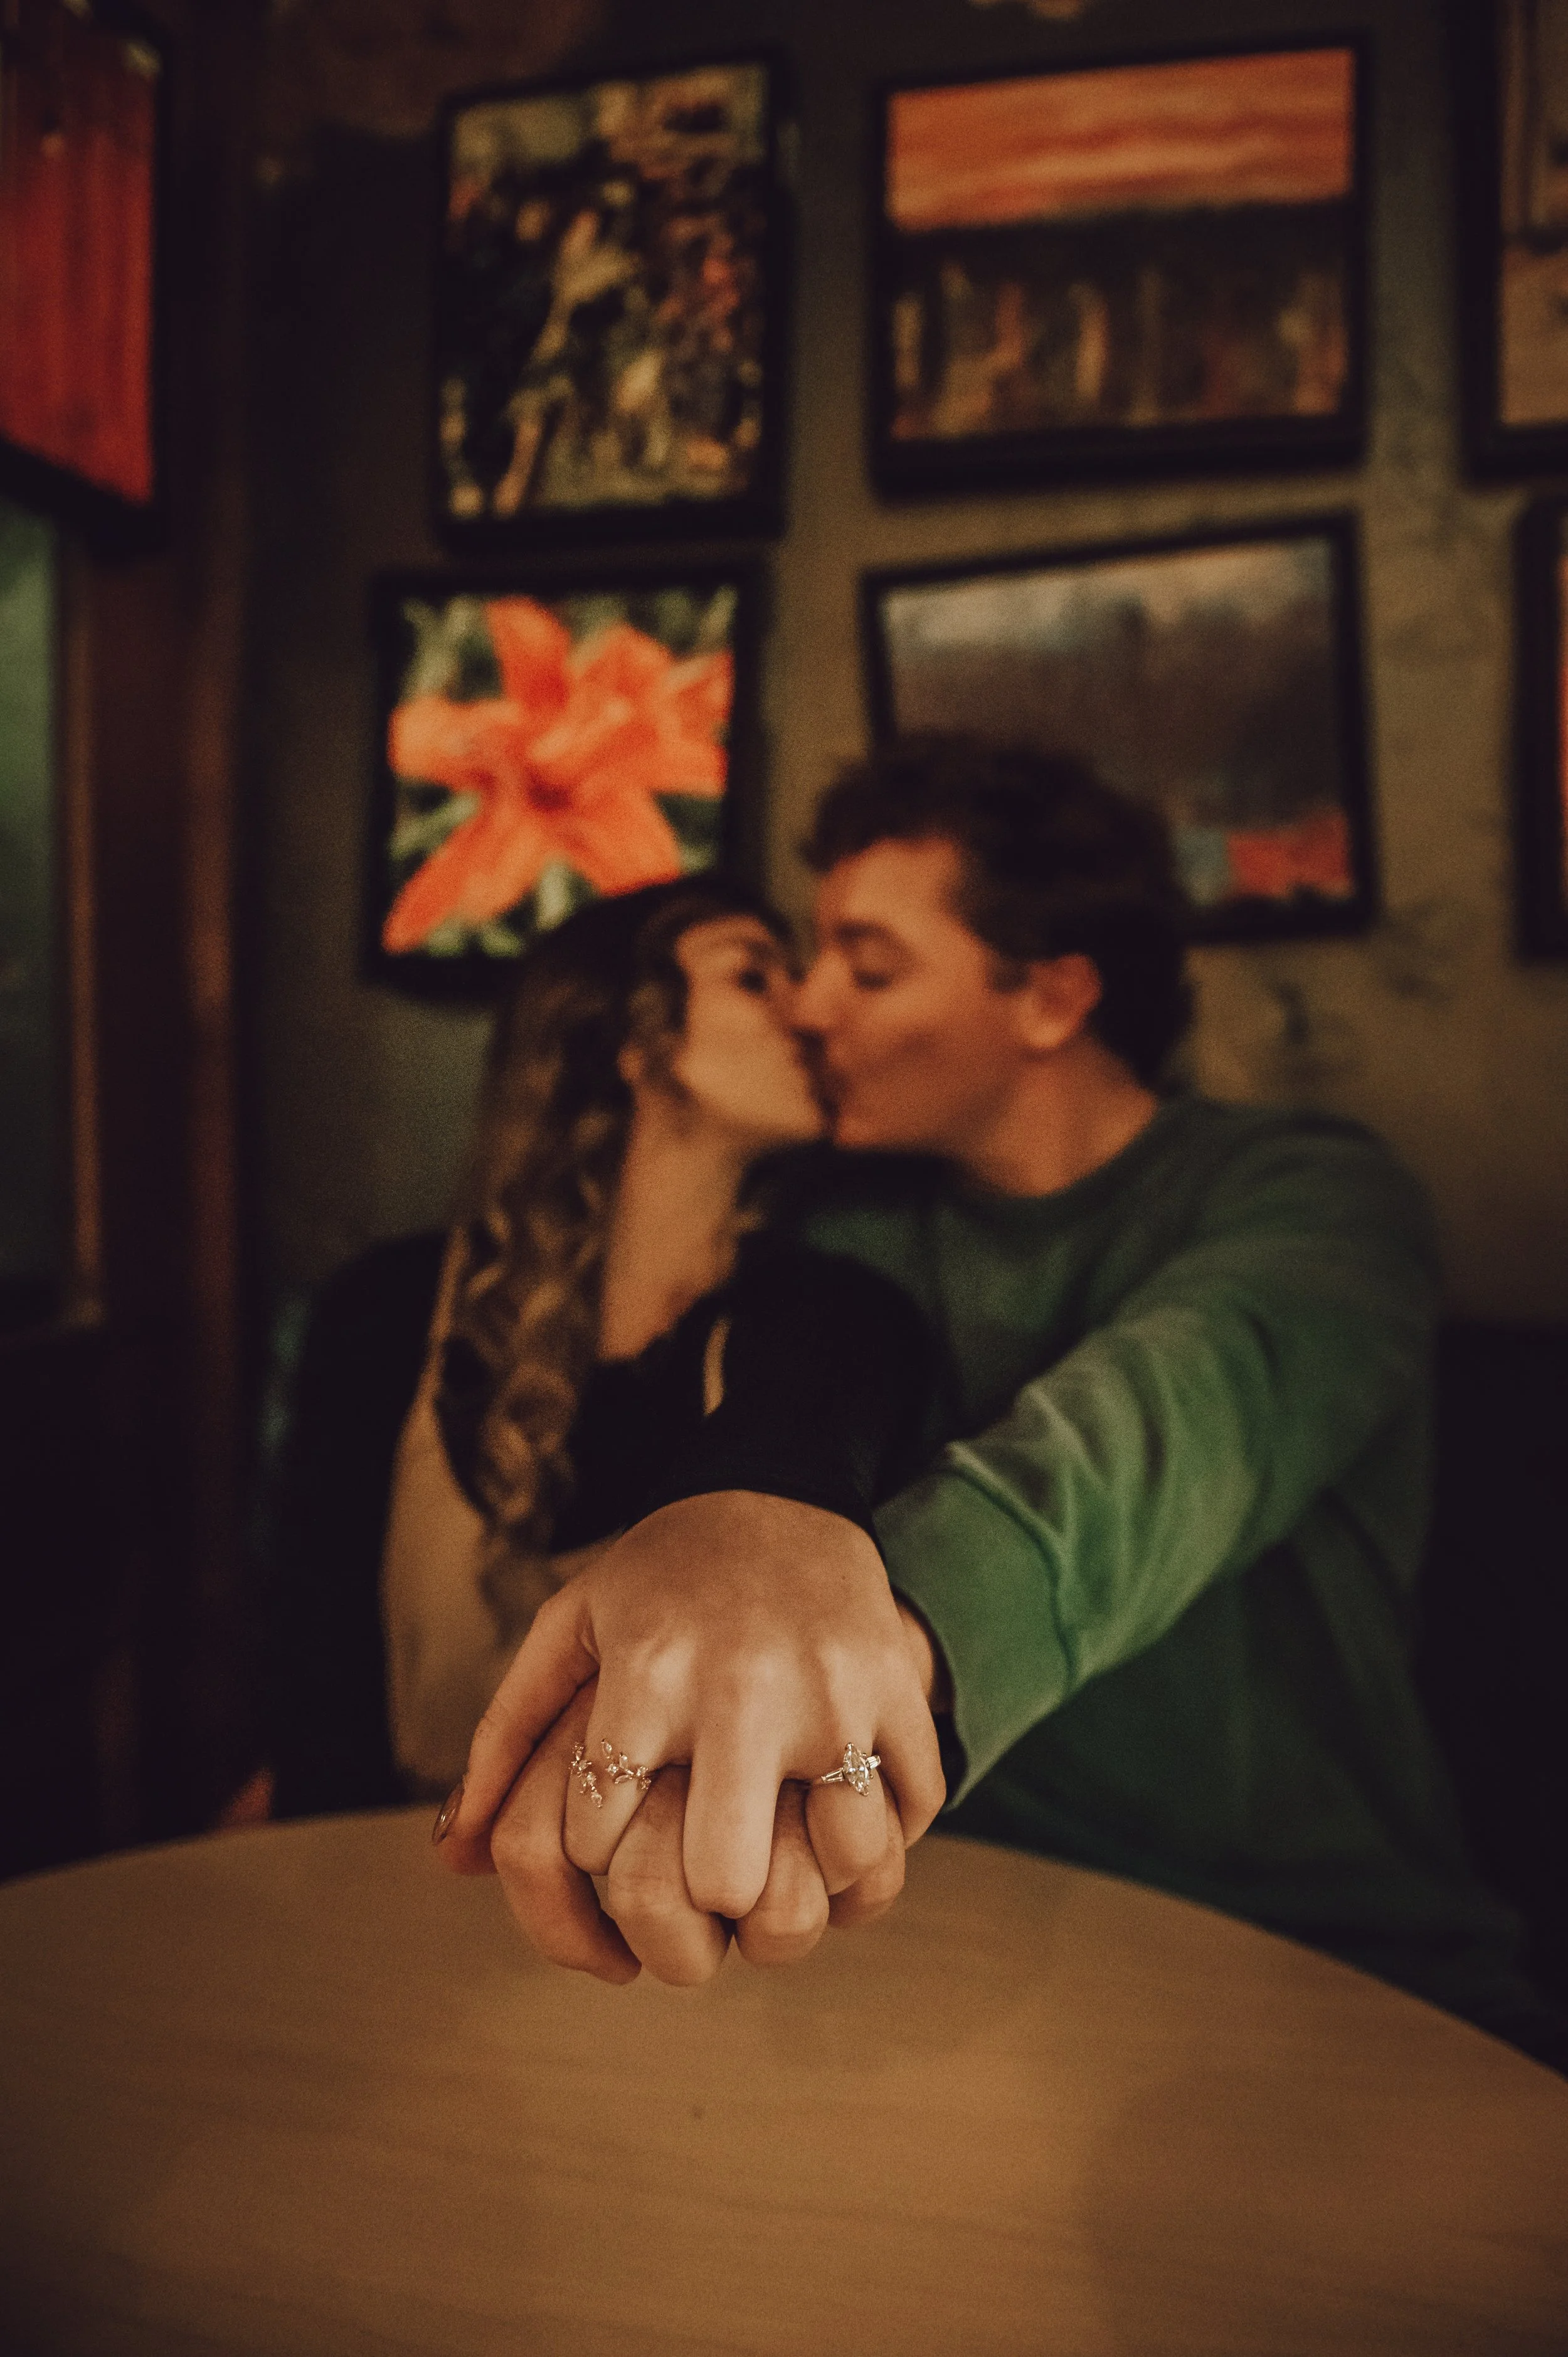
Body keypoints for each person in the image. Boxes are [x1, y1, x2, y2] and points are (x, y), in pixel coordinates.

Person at [438, 736, 1564, 2066]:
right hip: (940, 1952)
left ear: (1048, 998)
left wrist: (852, 1646)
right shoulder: (845, 1224)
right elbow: (791, 1397)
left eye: (868, 966)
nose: (810, 1006)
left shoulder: (1311, 1196)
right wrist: (741, 1516)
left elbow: (1152, 1444)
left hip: (1322, 1955)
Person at [380, 872, 949, 1973]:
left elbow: (806, 1429)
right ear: (630, 1045)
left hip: (683, 1947)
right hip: (396, 1900)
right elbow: (313, 1667)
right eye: (755, 976)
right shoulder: (391, 1310)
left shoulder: (828, 1314)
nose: (814, 1009)